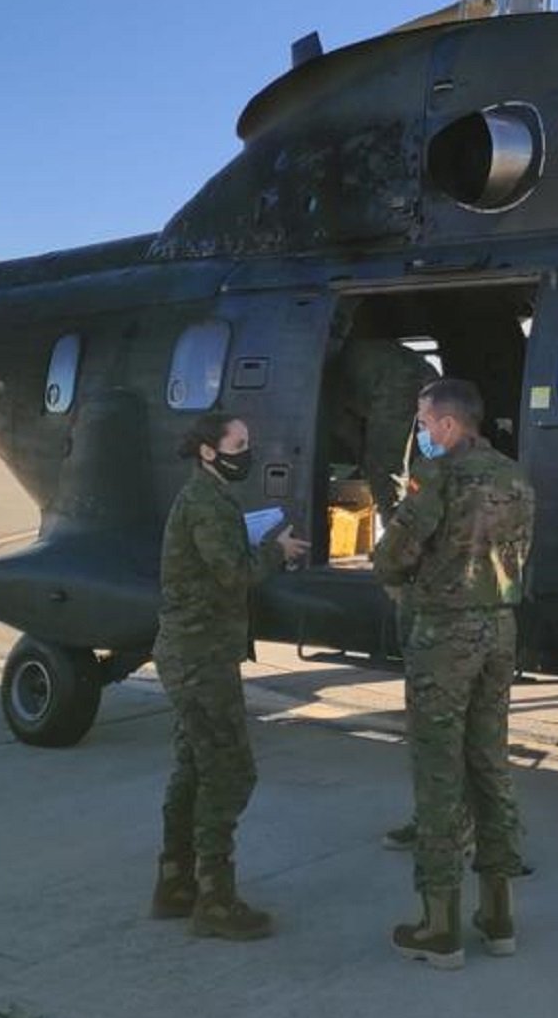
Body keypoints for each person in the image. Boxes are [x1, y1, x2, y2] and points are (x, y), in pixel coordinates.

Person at [372, 377, 534, 969]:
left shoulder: (438, 476)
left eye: (421, 421)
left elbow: (392, 554)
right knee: (490, 765)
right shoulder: (515, 475)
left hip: (444, 636)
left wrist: (398, 576)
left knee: (439, 772)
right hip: (500, 631)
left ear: (445, 425)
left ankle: (438, 926)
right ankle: (499, 915)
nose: (419, 431)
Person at [150, 412, 306, 940]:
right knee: (230, 772)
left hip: (194, 652)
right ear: (209, 452)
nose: (248, 451)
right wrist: (275, 552)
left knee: (194, 766)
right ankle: (214, 899)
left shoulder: (210, 499)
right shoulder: (205, 503)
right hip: (201, 658)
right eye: (239, 444)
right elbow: (232, 574)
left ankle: (175, 884)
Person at [327, 329, 439, 523]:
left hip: (398, 381)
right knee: (410, 466)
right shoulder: (334, 357)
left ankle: (398, 539)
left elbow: (354, 438)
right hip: (420, 375)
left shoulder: (323, 366)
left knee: (386, 466)